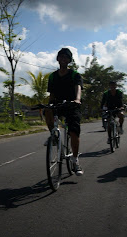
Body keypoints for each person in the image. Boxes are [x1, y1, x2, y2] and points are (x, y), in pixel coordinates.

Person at [45, 48, 84, 176]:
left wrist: (77, 100)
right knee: (48, 111)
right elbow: (52, 94)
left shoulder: (74, 75)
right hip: (58, 104)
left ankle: (75, 160)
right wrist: (50, 104)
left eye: (66, 57)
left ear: (69, 60)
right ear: (58, 59)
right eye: (61, 57)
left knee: (74, 131)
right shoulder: (53, 76)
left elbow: (78, 88)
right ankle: (54, 136)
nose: (63, 59)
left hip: (72, 105)